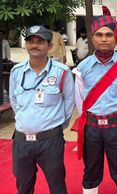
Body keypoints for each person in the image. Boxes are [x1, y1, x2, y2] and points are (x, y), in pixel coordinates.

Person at [72, 14, 117, 194]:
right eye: (99, 35)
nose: (104, 39)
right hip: (91, 128)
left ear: (115, 38)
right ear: (92, 37)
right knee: (91, 173)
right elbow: (80, 102)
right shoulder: (82, 68)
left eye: (109, 35)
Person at [9, 25, 74, 194]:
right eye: (31, 42)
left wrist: (58, 126)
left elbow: (69, 102)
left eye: (40, 42)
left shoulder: (62, 72)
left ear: (50, 46)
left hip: (50, 141)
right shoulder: (17, 72)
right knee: (23, 187)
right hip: (22, 141)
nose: (35, 45)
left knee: (57, 186)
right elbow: (14, 102)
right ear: (26, 45)